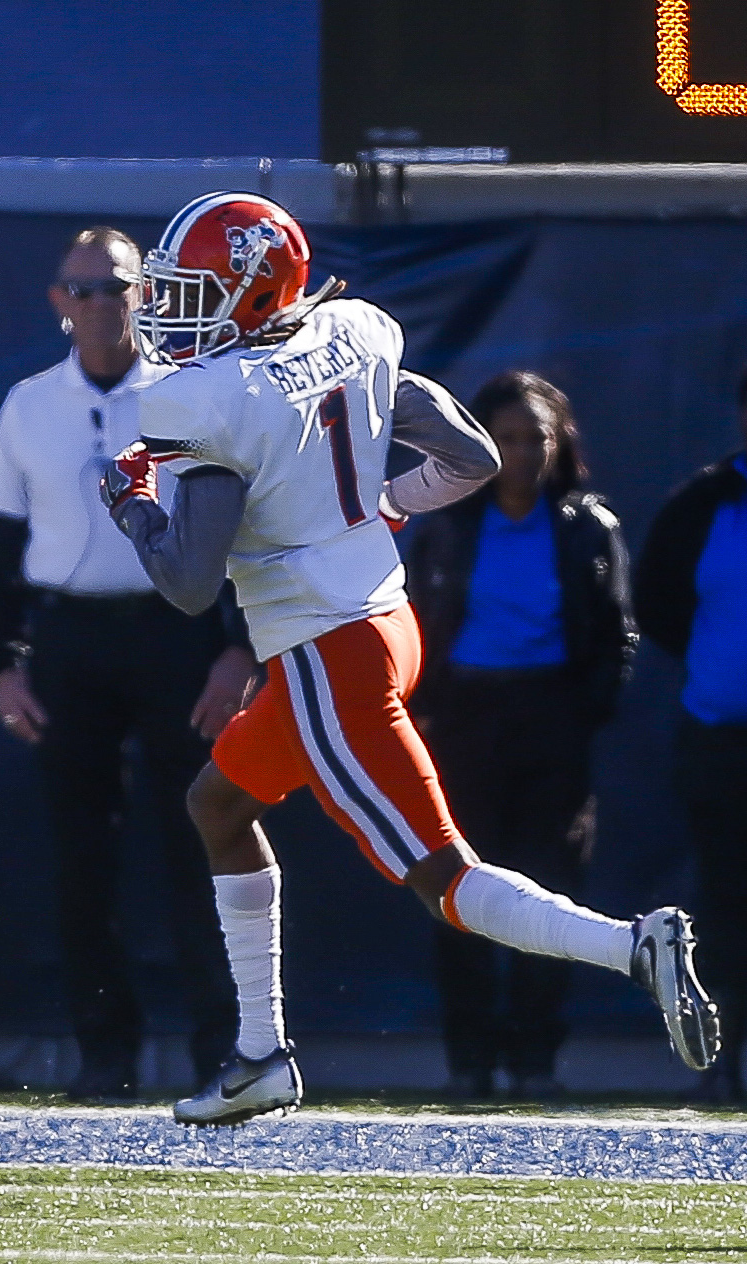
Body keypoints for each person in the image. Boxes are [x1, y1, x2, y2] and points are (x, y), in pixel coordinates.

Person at [104, 189, 718, 1126]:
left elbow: (189, 581)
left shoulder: (202, 402)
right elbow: (471, 457)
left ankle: (632, 946)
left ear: (256, 293)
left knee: (445, 880)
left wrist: (131, 502)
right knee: (219, 805)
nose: (169, 313)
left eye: (196, 292)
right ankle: (260, 1054)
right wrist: (380, 507)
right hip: (385, 621)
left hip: (323, 650)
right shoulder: (352, 328)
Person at [0, 226, 251, 1100]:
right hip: (68, 644)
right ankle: (105, 1053)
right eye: (81, 289)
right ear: (59, 302)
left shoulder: (189, 394)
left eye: (115, 286)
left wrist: (237, 649)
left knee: (200, 834)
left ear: (147, 294)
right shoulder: (27, 405)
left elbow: (246, 530)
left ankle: (224, 1051)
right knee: (79, 853)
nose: (99, 304)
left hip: (178, 635)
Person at [407, 371, 636, 1099]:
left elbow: (615, 633)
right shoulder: (448, 525)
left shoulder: (587, 527)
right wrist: (426, 710)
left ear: (558, 440)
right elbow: (412, 624)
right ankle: (469, 1062)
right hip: (464, 723)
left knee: (550, 892)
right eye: (504, 438)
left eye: (535, 437)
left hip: (551, 723)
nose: (521, 453)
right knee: (463, 889)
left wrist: (582, 711)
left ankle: (535, 1059)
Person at [635, 369, 747, 1102]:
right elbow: (660, 606)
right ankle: (723, 1060)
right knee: (728, 897)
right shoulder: (702, 505)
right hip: (721, 741)